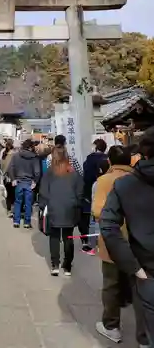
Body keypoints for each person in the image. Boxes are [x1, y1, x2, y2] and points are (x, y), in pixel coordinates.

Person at [100, 127, 154, 348]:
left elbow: (108, 224)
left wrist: (132, 266)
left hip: (146, 268)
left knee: (149, 331)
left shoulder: (125, 185)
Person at [92, 145, 134, 344]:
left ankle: (111, 325)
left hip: (113, 239)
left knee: (111, 284)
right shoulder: (139, 179)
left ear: (109, 161)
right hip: (139, 239)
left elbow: (98, 211)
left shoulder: (105, 180)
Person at [39, 145, 84, 276]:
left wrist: (43, 206)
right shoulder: (73, 172)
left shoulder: (49, 172)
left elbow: (43, 191)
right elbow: (80, 191)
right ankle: (68, 266)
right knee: (68, 237)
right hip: (70, 208)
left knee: (54, 237)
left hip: (53, 207)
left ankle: (55, 265)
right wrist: (76, 203)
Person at [80, 138, 108, 254]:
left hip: (91, 190)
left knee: (92, 218)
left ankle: (91, 244)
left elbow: (86, 177)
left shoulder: (89, 160)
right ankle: (103, 242)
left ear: (96, 147)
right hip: (106, 188)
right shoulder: (107, 159)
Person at [8, 138, 40, 229]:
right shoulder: (34, 157)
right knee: (28, 203)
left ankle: (16, 221)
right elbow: (37, 172)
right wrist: (35, 181)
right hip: (29, 183)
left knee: (17, 202)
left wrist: (13, 179)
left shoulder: (16, 156)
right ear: (30, 147)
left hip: (18, 182)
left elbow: (10, 168)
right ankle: (27, 222)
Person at [1, 138, 15, 217]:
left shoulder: (3, 153)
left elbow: (1, 164)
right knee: (13, 195)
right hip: (12, 177)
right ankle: (12, 210)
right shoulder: (14, 154)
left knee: (9, 194)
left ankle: (9, 210)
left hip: (5, 177)